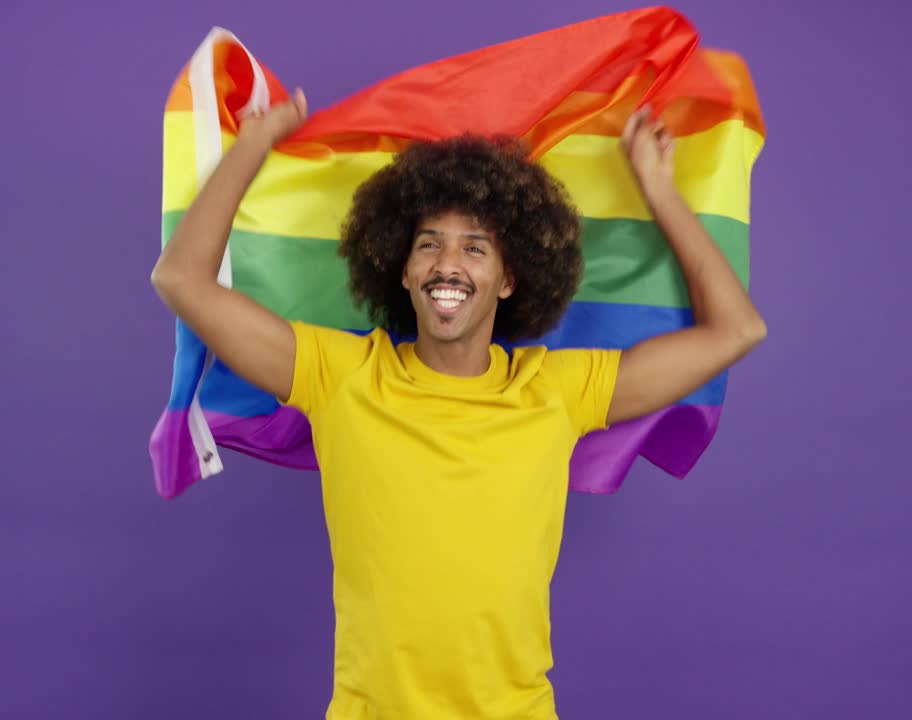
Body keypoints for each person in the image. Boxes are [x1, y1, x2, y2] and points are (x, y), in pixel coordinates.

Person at [151, 88, 766, 719]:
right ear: (402, 270)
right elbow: (181, 279)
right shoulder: (338, 374)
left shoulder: (559, 389)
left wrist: (659, 189)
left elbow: (735, 330)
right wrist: (252, 143)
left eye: (475, 247)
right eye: (428, 244)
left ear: (507, 278)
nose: (449, 265)